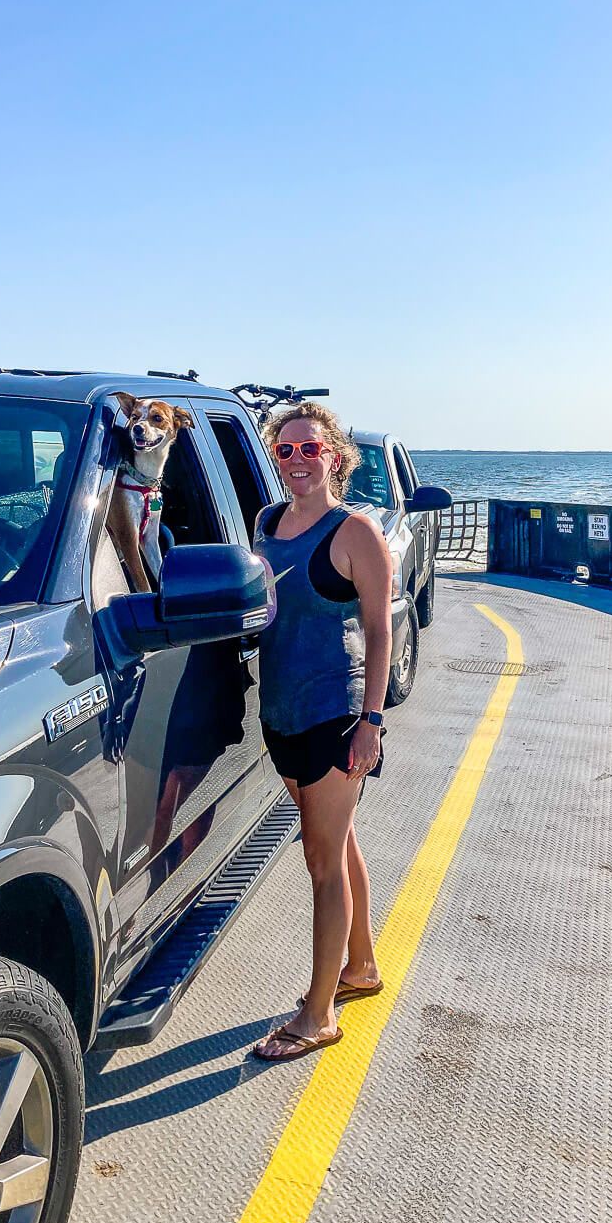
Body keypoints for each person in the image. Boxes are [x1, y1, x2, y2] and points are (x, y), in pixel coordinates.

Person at [251, 402, 392, 1062]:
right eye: (286, 451)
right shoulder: (266, 523)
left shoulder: (354, 531)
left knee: (320, 861)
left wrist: (372, 722)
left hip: (335, 713)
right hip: (279, 711)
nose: (299, 461)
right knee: (336, 842)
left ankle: (319, 1013)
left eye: (311, 449)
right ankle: (360, 965)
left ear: (336, 455)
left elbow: (379, 628)